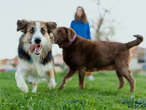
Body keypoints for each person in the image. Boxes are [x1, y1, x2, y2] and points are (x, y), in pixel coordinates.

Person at [70, 6, 94, 80]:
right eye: (78, 11)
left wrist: (90, 43)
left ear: (83, 13)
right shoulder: (73, 22)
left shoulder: (86, 23)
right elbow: (70, 33)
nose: (79, 12)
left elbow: (88, 34)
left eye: (81, 11)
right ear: (76, 12)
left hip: (85, 44)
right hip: (75, 44)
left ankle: (89, 75)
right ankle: (71, 75)